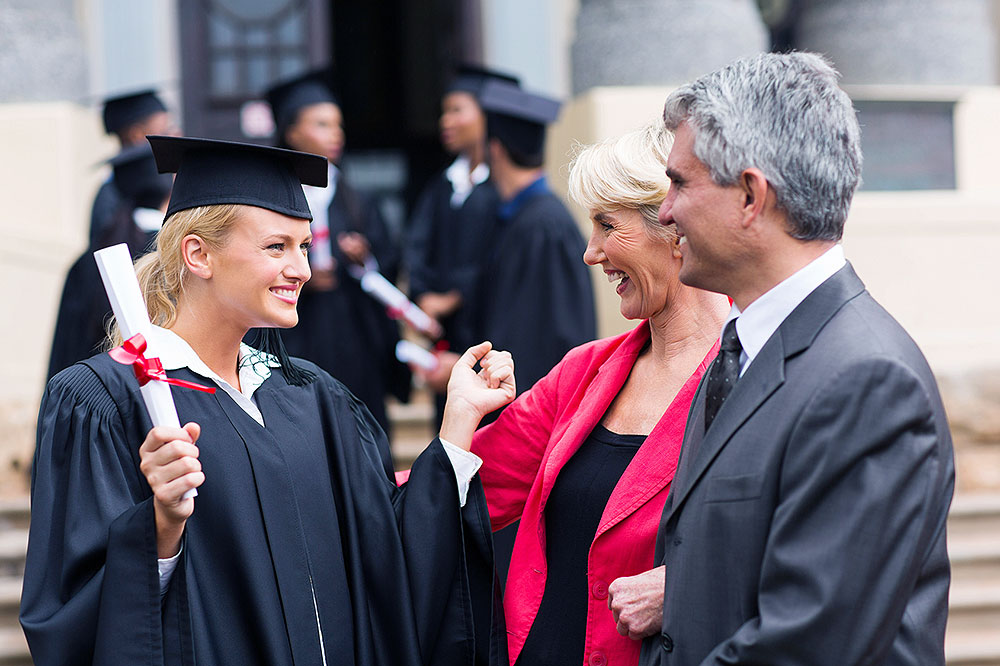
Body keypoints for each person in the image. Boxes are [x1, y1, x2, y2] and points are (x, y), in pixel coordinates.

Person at [22, 136, 514, 665]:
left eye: (303, 246)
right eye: (276, 247)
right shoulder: (106, 403)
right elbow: (71, 620)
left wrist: (457, 427)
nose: (302, 268)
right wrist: (160, 525)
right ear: (198, 254)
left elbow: (385, 559)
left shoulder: (313, 398)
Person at [639, 52, 954, 665]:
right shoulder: (740, 351)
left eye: (680, 182)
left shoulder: (867, 380)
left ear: (752, 196)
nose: (665, 211)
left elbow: (807, 646)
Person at [463, 124, 729, 666]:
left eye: (608, 225)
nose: (591, 253)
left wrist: (684, 588)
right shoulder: (584, 372)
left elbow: (805, 547)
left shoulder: (754, 377)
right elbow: (466, 490)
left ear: (675, 226)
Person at [427, 79, 597, 417]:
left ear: (496, 149)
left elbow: (539, 341)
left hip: (533, 415)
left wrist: (467, 374)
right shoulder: (518, 218)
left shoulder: (543, 225)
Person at [264, 67, 407, 434]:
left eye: (338, 125)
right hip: (297, 333)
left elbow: (387, 263)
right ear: (292, 132)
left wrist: (365, 260)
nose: (336, 135)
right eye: (322, 124)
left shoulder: (356, 201)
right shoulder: (268, 200)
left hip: (351, 334)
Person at [405, 65, 518, 424]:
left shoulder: (501, 190)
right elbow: (417, 245)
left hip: (489, 329)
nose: (446, 120)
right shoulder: (443, 185)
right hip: (446, 335)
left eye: (456, 109)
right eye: (444, 111)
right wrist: (423, 297)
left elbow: (500, 256)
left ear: (486, 117)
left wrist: (453, 296)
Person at [47, 142, 173, 380]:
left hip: (95, 391)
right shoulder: (176, 255)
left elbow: (67, 347)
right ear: (169, 191)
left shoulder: (88, 258)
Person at [90, 89, 177, 244]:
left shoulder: (114, 187)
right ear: (136, 135)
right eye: (164, 130)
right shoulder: (111, 196)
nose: (173, 135)